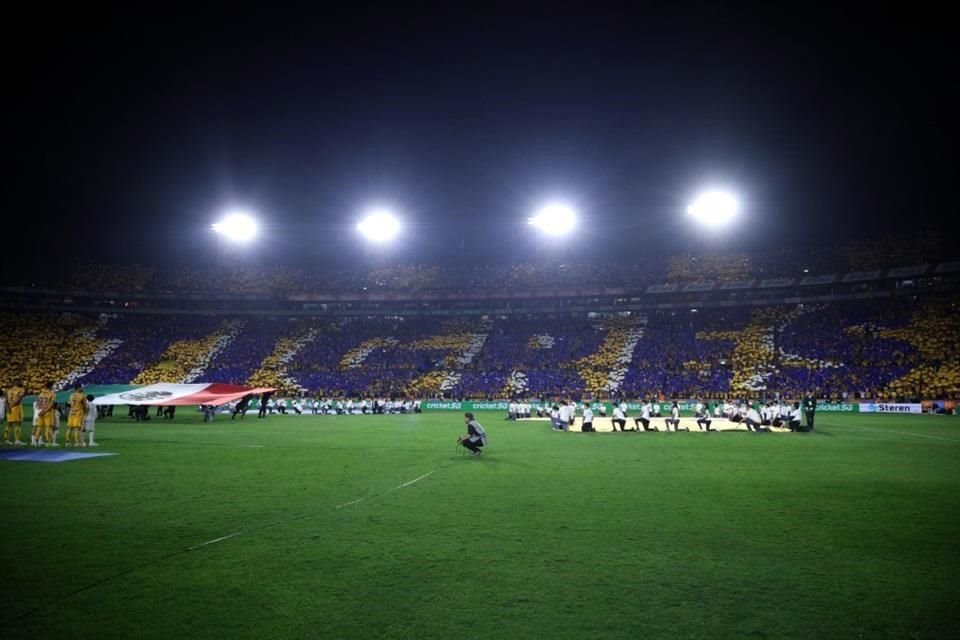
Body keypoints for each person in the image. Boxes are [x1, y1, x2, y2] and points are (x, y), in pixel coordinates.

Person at [35, 382, 58, 447]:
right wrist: (45, 411)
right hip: (48, 412)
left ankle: (36, 442)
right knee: (48, 427)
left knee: (39, 427)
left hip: (40, 412)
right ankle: (49, 442)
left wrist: (40, 410)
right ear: (50, 386)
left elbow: (37, 403)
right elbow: (52, 404)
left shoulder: (41, 394)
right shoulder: (52, 394)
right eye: (53, 386)